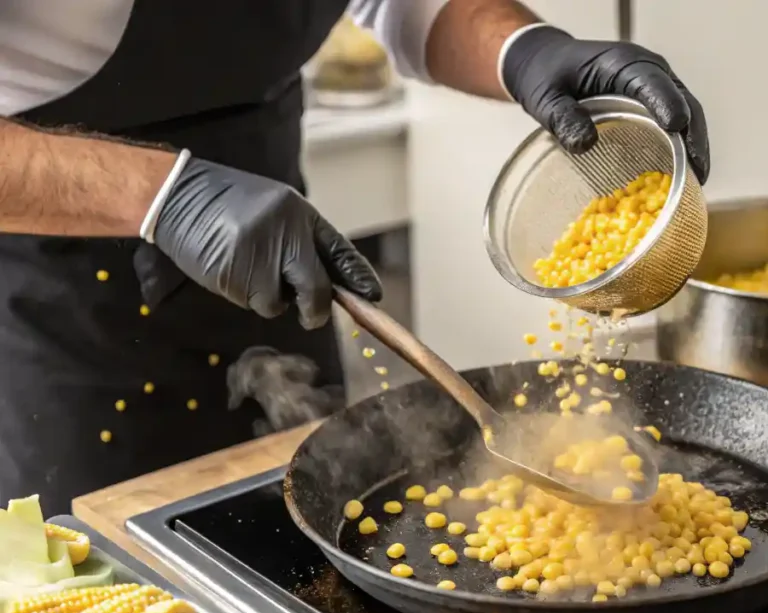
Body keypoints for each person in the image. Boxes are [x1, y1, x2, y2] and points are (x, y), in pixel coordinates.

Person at [0, 0, 710, 515]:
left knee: (300, 534)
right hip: (64, 302)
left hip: (275, 242)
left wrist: (522, 50)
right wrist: (166, 196)